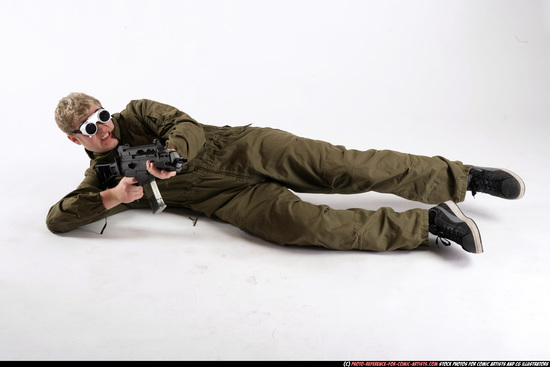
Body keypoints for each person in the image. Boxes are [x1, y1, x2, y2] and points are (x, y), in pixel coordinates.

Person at [46, 92, 525, 254]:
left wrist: (172, 156)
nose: (104, 125)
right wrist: (113, 198)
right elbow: (56, 220)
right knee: (301, 225)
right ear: (76, 138)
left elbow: (183, 125)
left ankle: (463, 178)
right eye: (90, 126)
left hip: (249, 150)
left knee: (348, 168)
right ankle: (428, 224)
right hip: (229, 202)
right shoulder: (103, 175)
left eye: (102, 113)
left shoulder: (140, 111)